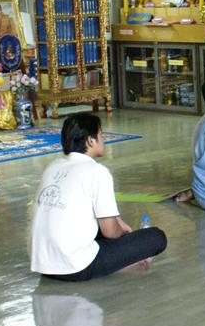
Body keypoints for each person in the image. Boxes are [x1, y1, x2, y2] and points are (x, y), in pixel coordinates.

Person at [30, 113, 167, 281]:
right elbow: (110, 232)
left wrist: (120, 226)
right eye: (101, 135)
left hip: (43, 264)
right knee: (156, 238)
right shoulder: (97, 172)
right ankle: (127, 264)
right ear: (90, 141)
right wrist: (126, 236)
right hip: (75, 268)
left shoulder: (53, 166)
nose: (104, 140)